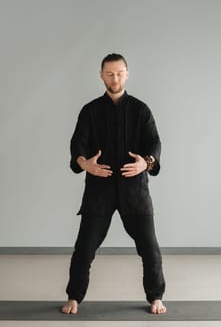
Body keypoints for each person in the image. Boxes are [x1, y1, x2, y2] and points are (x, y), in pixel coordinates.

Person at [61, 53, 166, 314]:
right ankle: (74, 297)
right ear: (101, 75)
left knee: (150, 247)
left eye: (119, 73)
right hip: (100, 189)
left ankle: (156, 297)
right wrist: (86, 164)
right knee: (84, 248)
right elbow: (77, 146)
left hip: (134, 189)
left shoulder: (141, 110)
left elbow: (154, 143)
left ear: (127, 74)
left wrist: (146, 163)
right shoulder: (90, 110)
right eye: (109, 73)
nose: (114, 78)